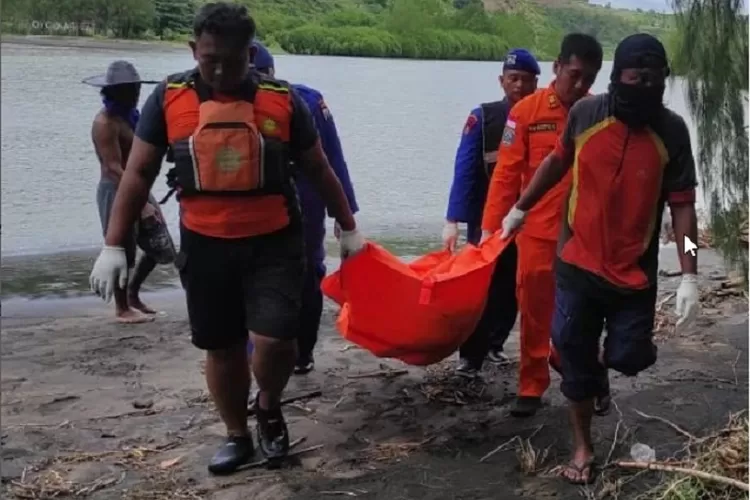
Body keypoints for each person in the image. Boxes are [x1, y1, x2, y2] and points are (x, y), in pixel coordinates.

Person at [88, 2, 365, 475]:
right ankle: (238, 434)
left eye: (232, 61)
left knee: (276, 340)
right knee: (223, 346)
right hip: (205, 241)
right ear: (193, 49)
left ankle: (270, 404)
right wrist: (114, 244)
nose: (219, 70)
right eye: (209, 58)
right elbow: (137, 172)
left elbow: (319, 167)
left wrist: (349, 227)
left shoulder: (282, 100)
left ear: (250, 53)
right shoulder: (169, 98)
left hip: (275, 239)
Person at [500, 33, 699, 483]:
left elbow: (683, 207)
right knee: (573, 353)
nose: (643, 87)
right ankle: (582, 448)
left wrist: (690, 273)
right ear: (617, 78)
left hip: (633, 275)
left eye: (653, 81)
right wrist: (520, 208)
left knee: (629, 357)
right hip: (577, 264)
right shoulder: (587, 114)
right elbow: (554, 164)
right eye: (635, 79)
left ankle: (598, 372)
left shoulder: (672, 132)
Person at [481, 33, 603, 418]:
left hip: (584, 234)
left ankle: (587, 376)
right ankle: (531, 385)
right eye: (575, 75)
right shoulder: (525, 113)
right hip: (536, 232)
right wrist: (489, 227)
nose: (581, 85)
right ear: (557, 67)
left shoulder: (598, 113)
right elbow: (506, 172)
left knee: (582, 313)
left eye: (590, 78)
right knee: (533, 310)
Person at [250, 41, 359, 375]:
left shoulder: (305, 101)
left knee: (307, 275)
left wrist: (345, 214)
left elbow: (331, 158)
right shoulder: (225, 103)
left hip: (304, 202)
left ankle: (303, 352)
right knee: (262, 278)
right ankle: (269, 353)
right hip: (258, 205)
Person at [444, 49, 540, 378]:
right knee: (479, 288)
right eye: (513, 79)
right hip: (487, 219)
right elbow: (465, 171)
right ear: (502, 81)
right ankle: (470, 356)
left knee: (514, 285)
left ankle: (496, 344)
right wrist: (452, 220)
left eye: (526, 80)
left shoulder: (544, 119)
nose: (519, 85)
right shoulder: (483, 118)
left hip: (529, 221)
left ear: (536, 83)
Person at [84, 61, 175, 324]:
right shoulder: (105, 123)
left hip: (138, 186)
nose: (135, 94)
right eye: (129, 90)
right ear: (115, 92)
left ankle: (133, 293)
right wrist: (142, 204)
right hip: (115, 189)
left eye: (136, 89)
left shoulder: (133, 117)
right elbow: (113, 167)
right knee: (122, 250)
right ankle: (122, 308)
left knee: (162, 246)